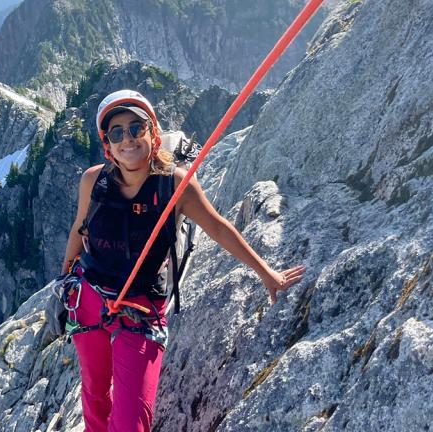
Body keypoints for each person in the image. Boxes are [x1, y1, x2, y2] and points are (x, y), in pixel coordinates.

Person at [60, 89, 305, 431]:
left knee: (130, 423)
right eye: (117, 132)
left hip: (141, 309)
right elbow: (79, 229)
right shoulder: (93, 181)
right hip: (90, 300)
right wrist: (65, 282)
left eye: (136, 128)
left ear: (152, 132)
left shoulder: (175, 186)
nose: (128, 139)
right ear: (108, 144)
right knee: (95, 397)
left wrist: (267, 274)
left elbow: (219, 229)